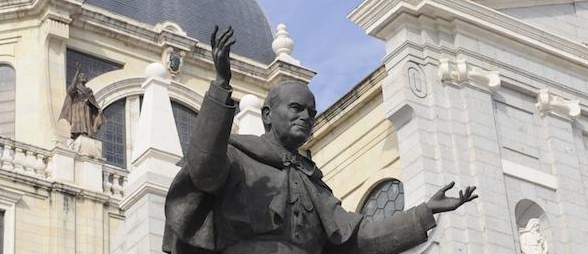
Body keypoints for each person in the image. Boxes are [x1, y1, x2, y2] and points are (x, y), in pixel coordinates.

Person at [163, 26, 478, 254]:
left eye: (311, 113)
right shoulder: (238, 156)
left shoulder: (312, 183)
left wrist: (425, 212)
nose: (306, 118)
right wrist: (220, 86)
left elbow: (360, 236)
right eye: (297, 109)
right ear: (268, 115)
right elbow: (203, 168)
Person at [59, 64, 105, 139]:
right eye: (81, 76)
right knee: (79, 122)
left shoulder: (89, 90)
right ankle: (78, 133)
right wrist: (77, 72)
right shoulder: (76, 88)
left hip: (86, 108)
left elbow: (93, 102)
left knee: (86, 123)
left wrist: (98, 109)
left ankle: (87, 133)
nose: (83, 77)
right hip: (77, 107)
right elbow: (71, 89)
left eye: (84, 76)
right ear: (78, 79)